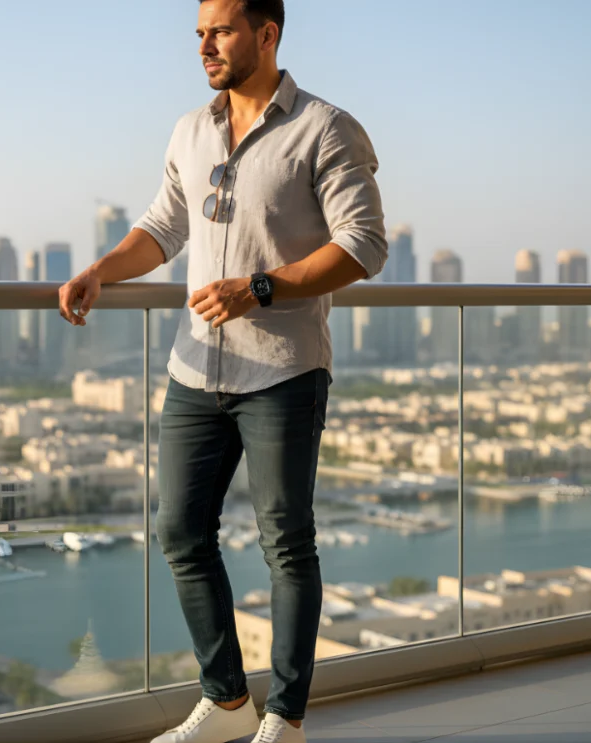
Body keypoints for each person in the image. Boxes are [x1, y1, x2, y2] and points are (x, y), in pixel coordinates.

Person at [58, 0, 387, 740]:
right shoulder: (190, 130)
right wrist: (102, 272)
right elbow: (163, 226)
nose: (204, 44)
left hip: (283, 371)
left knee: (285, 542)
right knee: (179, 530)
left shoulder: (326, 128)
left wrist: (260, 286)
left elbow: (365, 245)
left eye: (222, 30)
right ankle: (228, 701)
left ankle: (286, 718)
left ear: (267, 34)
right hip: (193, 371)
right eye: (199, 32)